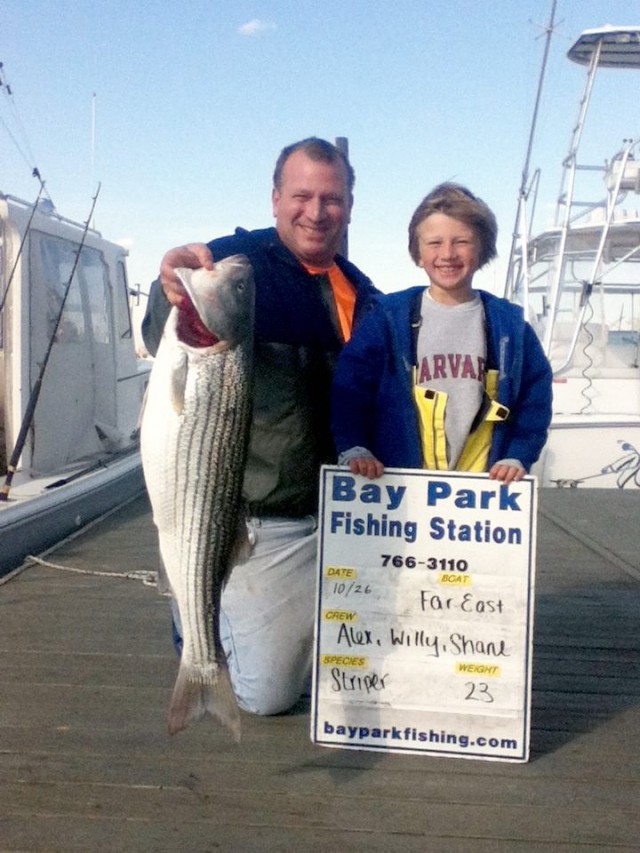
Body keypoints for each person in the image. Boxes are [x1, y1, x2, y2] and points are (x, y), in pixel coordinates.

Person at [141, 137, 379, 716]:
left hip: (337, 511)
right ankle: (198, 621)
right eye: (301, 195)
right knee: (267, 695)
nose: (316, 212)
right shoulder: (230, 264)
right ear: (275, 199)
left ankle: (264, 613)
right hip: (250, 513)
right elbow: (160, 332)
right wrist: (169, 288)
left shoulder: (362, 293)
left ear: (350, 207)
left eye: (332, 198)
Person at [331, 182, 553, 483]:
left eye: (461, 241)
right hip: (399, 491)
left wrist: (518, 454)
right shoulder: (386, 319)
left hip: (482, 492)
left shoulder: (511, 328)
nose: (447, 254)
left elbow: (534, 399)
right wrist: (354, 447)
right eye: (434, 243)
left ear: (483, 248)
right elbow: (350, 391)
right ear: (418, 252)